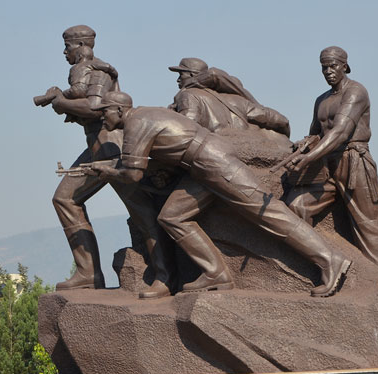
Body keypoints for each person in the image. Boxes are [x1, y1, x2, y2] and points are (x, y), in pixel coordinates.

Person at [85, 91, 351, 298]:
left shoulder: (136, 121)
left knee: (268, 213)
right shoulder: (147, 114)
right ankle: (216, 273)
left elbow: (132, 174)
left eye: (103, 112)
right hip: (199, 169)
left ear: (118, 109)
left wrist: (106, 171)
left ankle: (330, 260)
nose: (101, 118)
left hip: (213, 163)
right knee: (172, 216)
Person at [35, 25, 173, 297]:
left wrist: (62, 103)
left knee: (142, 211)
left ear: (81, 45)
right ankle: (88, 273)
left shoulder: (99, 72)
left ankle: (165, 276)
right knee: (64, 199)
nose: (64, 52)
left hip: (112, 147)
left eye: (68, 46)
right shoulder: (85, 72)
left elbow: (93, 107)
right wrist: (63, 97)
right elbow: (82, 98)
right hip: (96, 147)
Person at [281, 46, 378, 267]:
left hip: (354, 162)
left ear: (344, 66)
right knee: (297, 206)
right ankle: (314, 266)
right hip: (325, 165)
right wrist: (304, 145)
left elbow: (340, 132)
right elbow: (316, 133)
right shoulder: (321, 100)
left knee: (369, 225)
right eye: (324, 67)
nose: (328, 71)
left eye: (333, 66)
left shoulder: (356, 92)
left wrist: (308, 158)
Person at [168, 57, 290, 136]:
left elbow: (186, 130)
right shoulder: (238, 100)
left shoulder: (188, 95)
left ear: (191, 74)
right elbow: (282, 121)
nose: (178, 80)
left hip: (216, 154)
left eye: (181, 75)